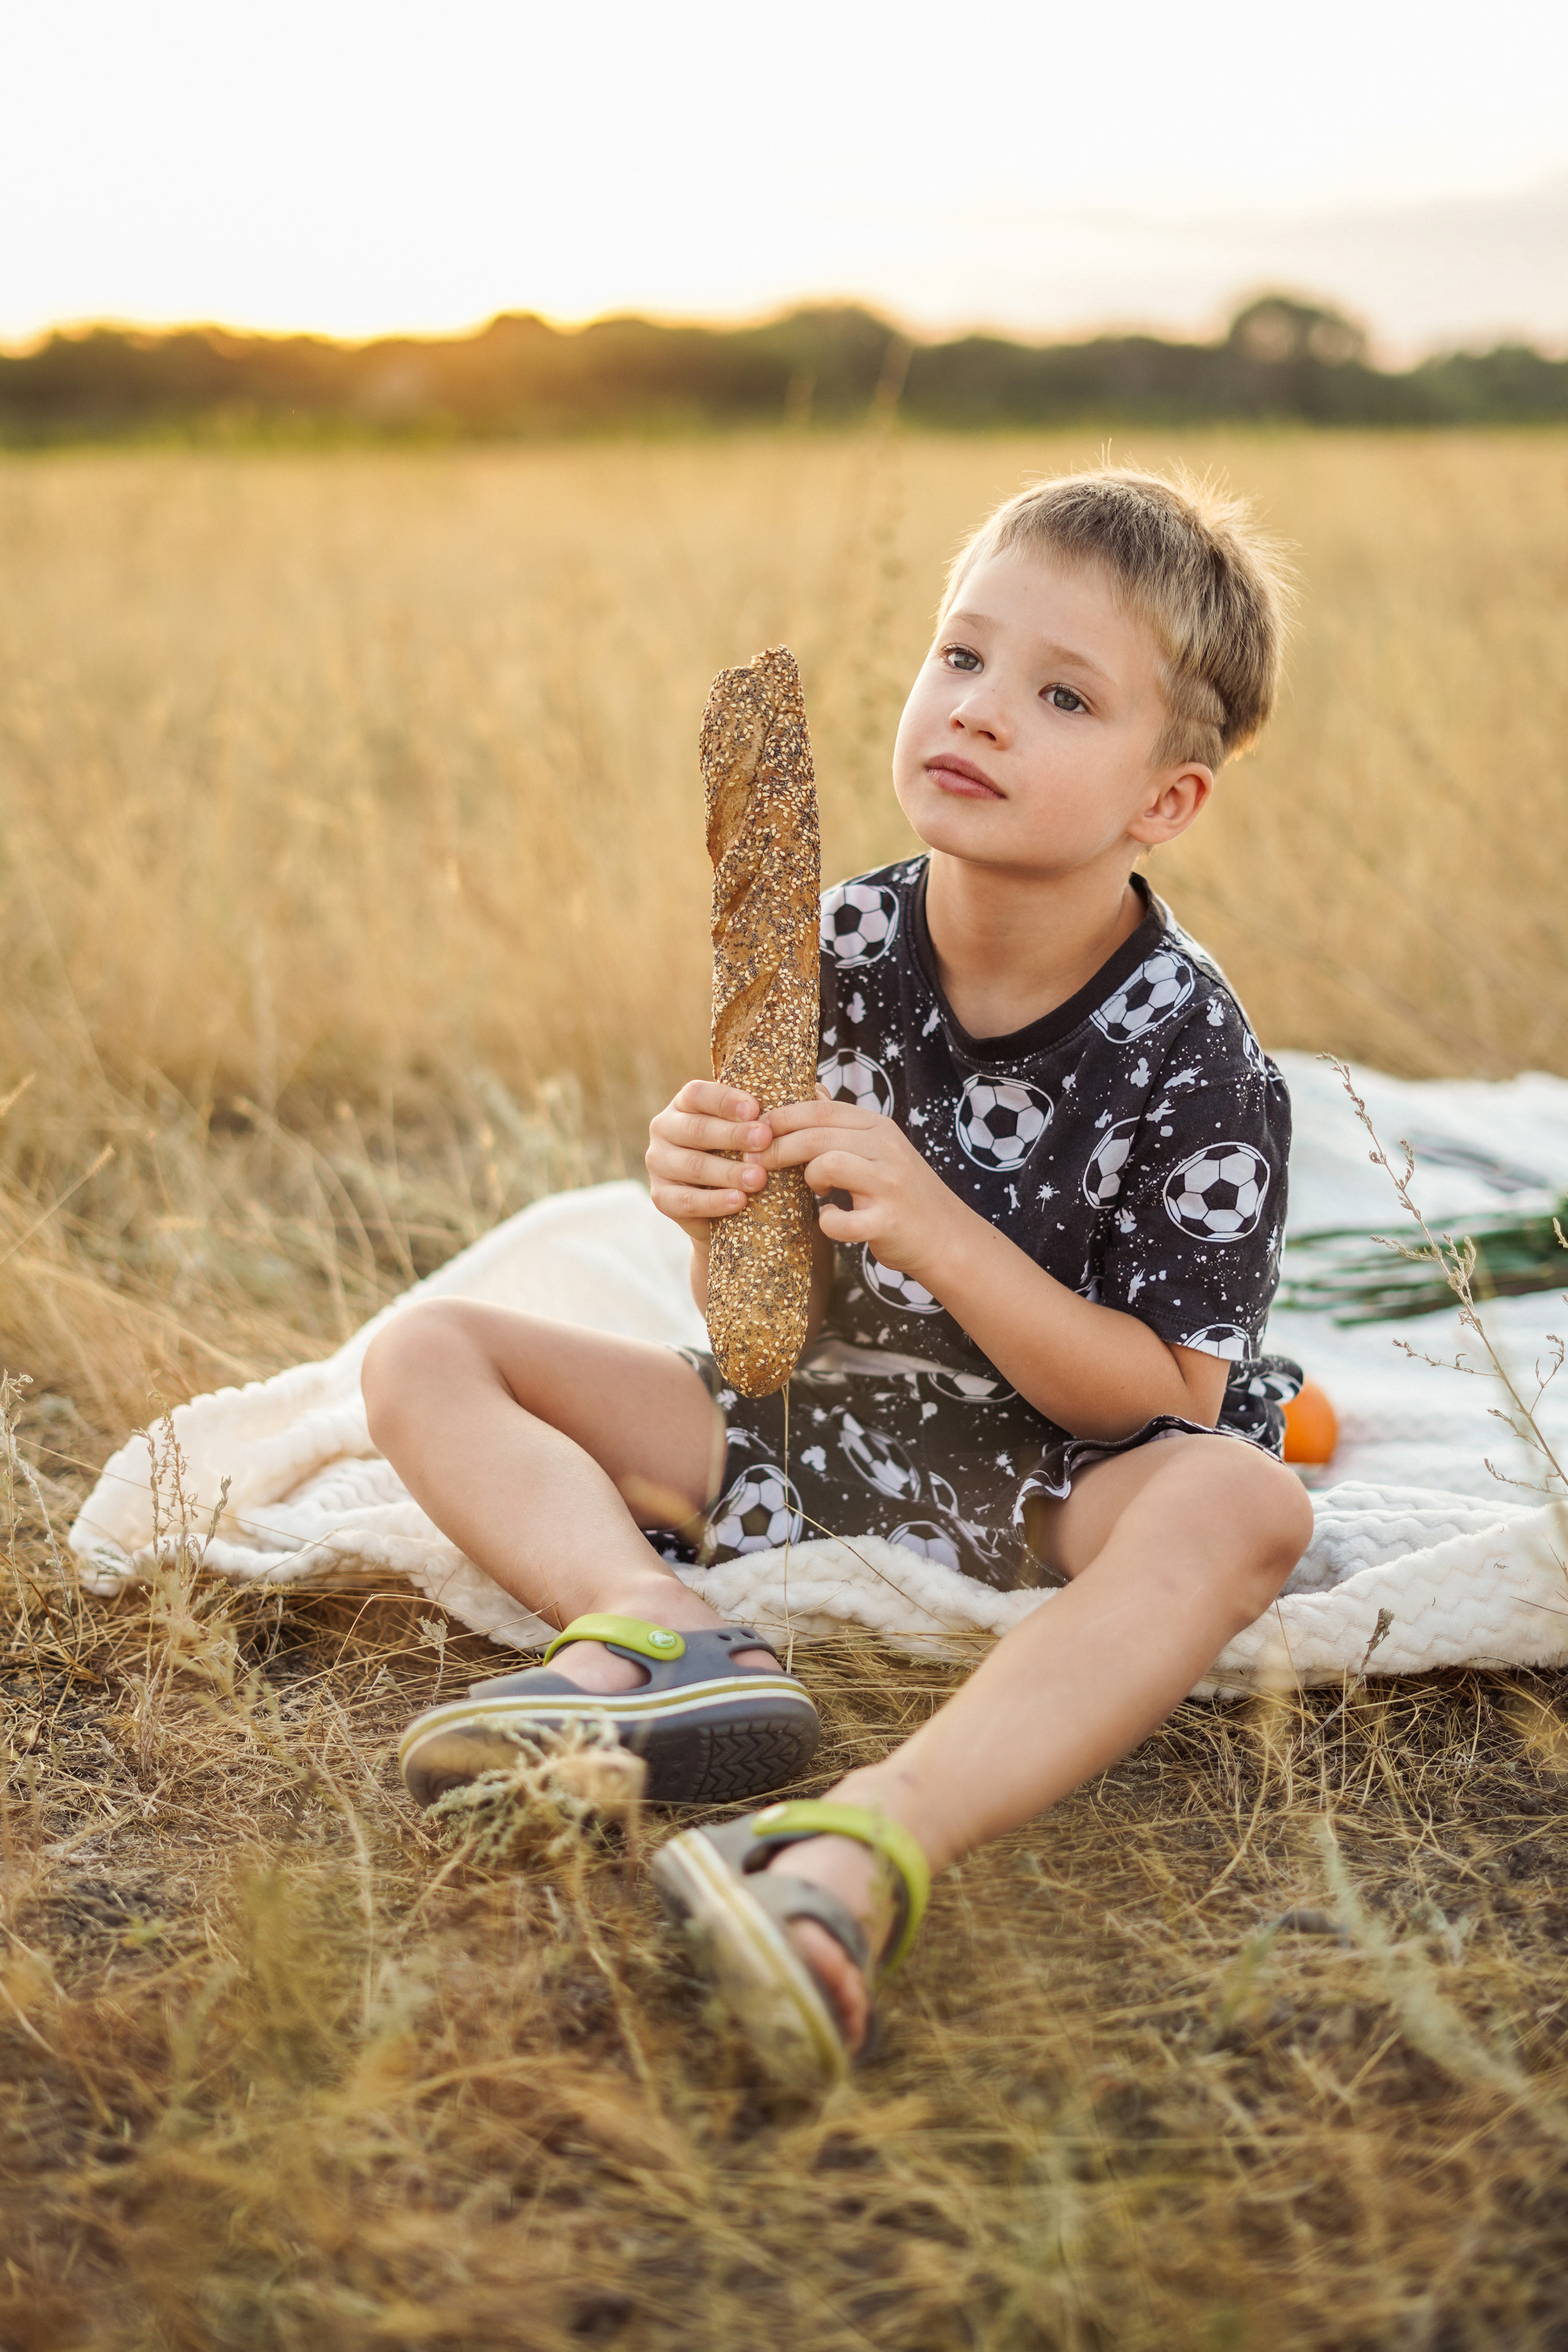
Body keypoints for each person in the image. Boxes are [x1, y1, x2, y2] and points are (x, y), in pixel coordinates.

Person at [362, 466, 1314, 2090]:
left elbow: (1153, 1393)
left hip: (1046, 1468)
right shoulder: (829, 943)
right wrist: (704, 1185)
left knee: (1247, 1508)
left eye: (1063, 694)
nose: (984, 712)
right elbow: (763, 1283)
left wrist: (945, 1226)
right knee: (423, 1348)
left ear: (1169, 800)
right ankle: (663, 1634)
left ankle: (851, 1848)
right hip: (795, 1425)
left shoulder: (1199, 1056)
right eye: (962, 659)